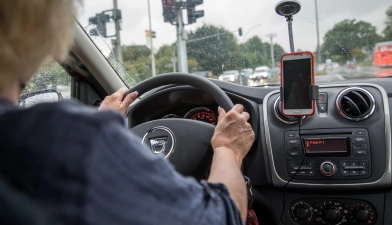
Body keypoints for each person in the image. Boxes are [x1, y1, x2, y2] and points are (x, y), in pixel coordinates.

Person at [0, 1, 255, 225]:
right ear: (34, 33)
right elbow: (220, 217)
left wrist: (101, 122)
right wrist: (228, 150)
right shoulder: (77, 145)